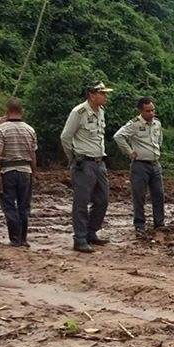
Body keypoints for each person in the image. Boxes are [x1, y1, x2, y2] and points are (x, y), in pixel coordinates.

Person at [60, 81, 114, 253]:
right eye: (102, 93)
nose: (105, 96)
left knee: (103, 200)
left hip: (99, 162)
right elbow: (66, 137)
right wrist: (73, 158)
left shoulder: (101, 112)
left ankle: (91, 232)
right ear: (92, 95)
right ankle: (80, 238)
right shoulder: (79, 112)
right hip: (84, 162)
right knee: (81, 202)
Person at [0, 98, 37, 247]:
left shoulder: (1, 129)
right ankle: (23, 239)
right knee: (24, 206)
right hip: (26, 171)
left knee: (9, 206)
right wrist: (34, 174)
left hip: (8, 171)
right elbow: (33, 155)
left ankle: (15, 239)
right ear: (21, 111)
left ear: (7, 111)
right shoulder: (30, 129)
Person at [114, 97, 164, 236]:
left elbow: (159, 139)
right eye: (148, 111)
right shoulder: (134, 124)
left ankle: (159, 223)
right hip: (140, 165)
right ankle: (140, 225)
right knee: (139, 196)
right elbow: (118, 136)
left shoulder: (157, 124)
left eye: (153, 110)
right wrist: (130, 152)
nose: (151, 113)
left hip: (155, 164)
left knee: (159, 194)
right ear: (141, 111)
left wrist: (156, 151)